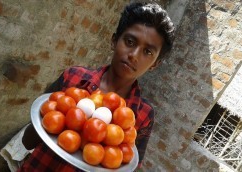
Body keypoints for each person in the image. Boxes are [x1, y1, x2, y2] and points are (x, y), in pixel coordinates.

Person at [18, 2, 175, 171]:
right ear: (114, 40)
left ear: (154, 65)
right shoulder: (73, 77)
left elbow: (127, 165)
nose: (134, 56)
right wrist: (58, 119)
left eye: (148, 52)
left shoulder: (143, 115)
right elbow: (27, 141)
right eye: (130, 41)